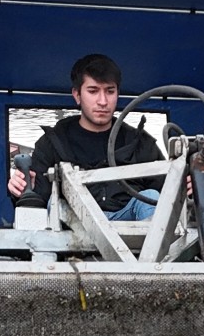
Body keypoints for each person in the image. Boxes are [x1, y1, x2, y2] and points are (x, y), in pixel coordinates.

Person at [8, 54, 164, 221]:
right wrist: (22, 188)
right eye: (93, 91)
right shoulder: (52, 143)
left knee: (151, 196)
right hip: (72, 226)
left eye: (110, 91)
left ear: (118, 94)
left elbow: (170, 192)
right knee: (56, 203)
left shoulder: (140, 142)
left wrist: (188, 186)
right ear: (77, 95)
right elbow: (36, 203)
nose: (103, 101)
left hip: (134, 230)